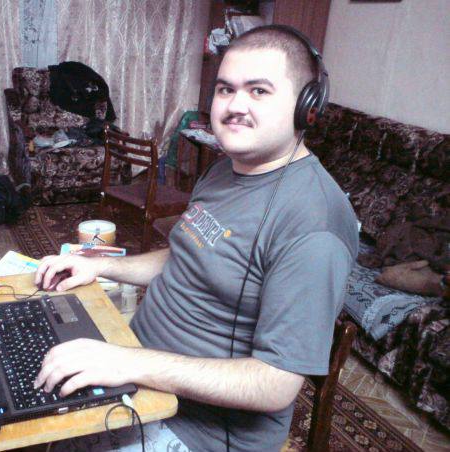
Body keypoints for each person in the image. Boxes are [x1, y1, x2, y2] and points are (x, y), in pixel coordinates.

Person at [34, 25, 359, 451]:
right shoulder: (224, 169)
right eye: (225, 89)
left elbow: (275, 383)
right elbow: (187, 255)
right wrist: (99, 265)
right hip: (139, 366)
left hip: (195, 429)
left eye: (259, 91)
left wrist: (128, 363)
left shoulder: (315, 226)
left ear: (306, 108)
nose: (235, 106)